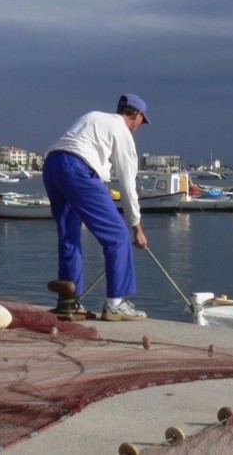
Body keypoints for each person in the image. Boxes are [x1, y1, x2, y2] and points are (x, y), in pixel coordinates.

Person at [42, 94, 150, 321]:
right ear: (137, 116)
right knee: (117, 236)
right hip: (79, 168)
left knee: (69, 236)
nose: (140, 125)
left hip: (52, 164)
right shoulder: (123, 133)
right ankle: (116, 303)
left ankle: (68, 301)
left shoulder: (93, 116)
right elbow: (128, 186)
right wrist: (136, 228)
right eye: (142, 120)